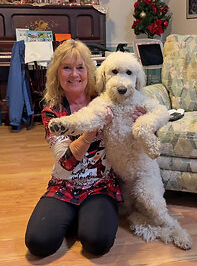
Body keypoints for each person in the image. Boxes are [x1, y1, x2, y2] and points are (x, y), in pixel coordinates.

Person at [25, 39, 145, 257]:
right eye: (67, 68)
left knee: (97, 243)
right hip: (65, 183)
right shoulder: (53, 112)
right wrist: (90, 132)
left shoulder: (105, 100)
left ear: (90, 71)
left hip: (101, 185)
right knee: (38, 243)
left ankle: (85, 219)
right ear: (56, 73)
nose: (74, 74)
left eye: (80, 68)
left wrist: (141, 120)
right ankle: (76, 215)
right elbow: (66, 162)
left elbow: (133, 132)